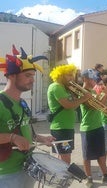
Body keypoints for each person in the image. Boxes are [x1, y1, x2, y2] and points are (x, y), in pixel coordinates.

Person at [0, 45, 55, 188]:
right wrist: (12, 137)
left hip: (27, 168)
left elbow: (24, 129)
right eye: (27, 75)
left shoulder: (23, 103)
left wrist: (40, 138)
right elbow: (15, 135)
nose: (32, 80)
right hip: (6, 174)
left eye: (33, 76)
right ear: (11, 75)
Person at [79, 69, 107, 187]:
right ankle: (89, 178)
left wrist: (105, 93)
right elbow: (95, 106)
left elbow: (101, 106)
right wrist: (105, 93)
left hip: (98, 126)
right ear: (85, 79)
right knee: (87, 156)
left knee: (101, 153)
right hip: (88, 128)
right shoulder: (82, 92)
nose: (95, 81)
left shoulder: (92, 91)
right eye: (92, 79)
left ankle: (105, 175)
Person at [47, 64, 91, 164]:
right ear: (60, 75)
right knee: (65, 157)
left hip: (67, 127)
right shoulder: (56, 87)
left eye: (72, 75)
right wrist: (84, 98)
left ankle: (62, 175)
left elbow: (74, 106)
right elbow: (67, 105)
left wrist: (79, 97)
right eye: (69, 75)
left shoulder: (65, 88)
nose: (72, 77)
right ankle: (65, 176)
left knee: (64, 154)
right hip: (61, 128)